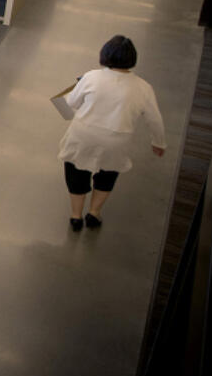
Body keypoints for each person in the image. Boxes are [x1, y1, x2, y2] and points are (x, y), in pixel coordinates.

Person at [57, 35, 166, 231]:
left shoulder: (91, 77)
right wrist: (159, 142)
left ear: (105, 55)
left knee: (76, 174)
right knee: (107, 176)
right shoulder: (144, 87)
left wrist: (79, 86)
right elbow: (154, 119)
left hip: (83, 136)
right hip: (117, 141)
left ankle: (76, 216)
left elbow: (71, 103)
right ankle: (94, 213)